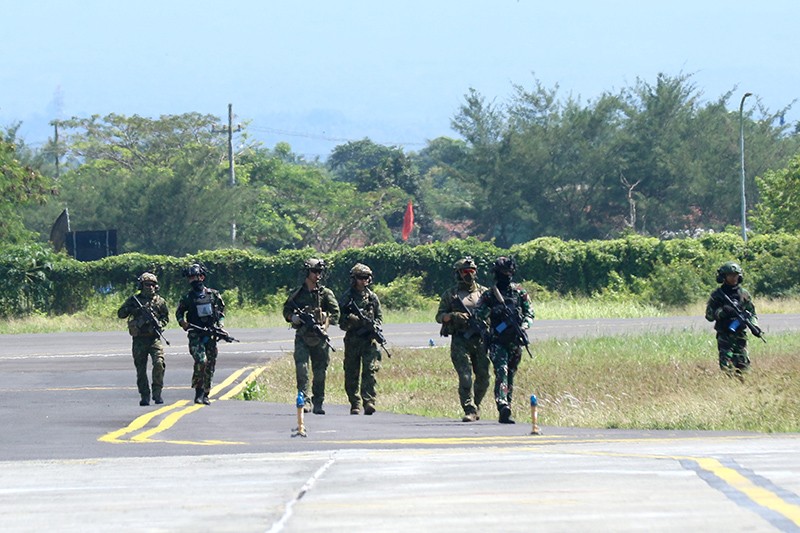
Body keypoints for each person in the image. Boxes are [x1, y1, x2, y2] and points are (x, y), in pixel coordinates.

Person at [475, 256, 534, 424]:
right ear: (497, 273)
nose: (507, 275)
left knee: (511, 373)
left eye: (509, 272)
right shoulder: (490, 294)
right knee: (502, 371)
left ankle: (507, 406)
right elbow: (478, 315)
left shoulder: (519, 292)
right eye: (503, 272)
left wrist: (524, 326)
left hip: (515, 339)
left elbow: (529, 313)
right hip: (497, 340)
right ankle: (502, 405)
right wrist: (493, 314)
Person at [435, 257, 490, 422]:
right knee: (465, 377)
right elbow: (439, 316)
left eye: (471, 271)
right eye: (465, 272)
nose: (469, 275)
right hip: (461, 341)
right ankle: (469, 408)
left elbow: (494, 312)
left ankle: (477, 405)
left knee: (484, 377)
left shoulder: (484, 293)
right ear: (458, 274)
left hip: (480, 340)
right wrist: (452, 316)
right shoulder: (451, 295)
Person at [283, 258, 340, 415]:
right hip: (302, 337)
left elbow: (336, 313)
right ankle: (304, 400)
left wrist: (325, 324)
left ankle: (318, 402)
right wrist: (293, 318)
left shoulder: (325, 294)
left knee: (320, 372)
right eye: (315, 271)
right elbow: (286, 310)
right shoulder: (297, 293)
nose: (318, 275)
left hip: (320, 339)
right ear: (307, 272)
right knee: (302, 370)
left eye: (320, 272)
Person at [175, 263, 226, 405]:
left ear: (202, 277)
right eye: (190, 278)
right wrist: (182, 322)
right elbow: (179, 312)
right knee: (201, 361)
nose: (192, 280)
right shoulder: (187, 297)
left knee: (210, 364)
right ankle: (198, 391)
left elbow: (221, 312)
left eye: (195, 277)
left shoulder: (213, 295)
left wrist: (220, 325)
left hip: (210, 334)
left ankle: (206, 393)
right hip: (195, 334)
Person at [117, 272, 170, 406]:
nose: (150, 287)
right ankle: (145, 395)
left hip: (154, 339)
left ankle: (157, 393)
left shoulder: (160, 301)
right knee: (141, 369)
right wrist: (133, 310)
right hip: (139, 339)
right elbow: (121, 314)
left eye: (153, 285)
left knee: (159, 363)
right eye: (147, 285)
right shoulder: (134, 300)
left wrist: (159, 324)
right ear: (141, 285)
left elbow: (165, 318)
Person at [338, 263, 384, 415]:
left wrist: (374, 326)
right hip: (353, 340)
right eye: (361, 278)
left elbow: (379, 317)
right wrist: (353, 321)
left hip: (368, 341)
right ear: (354, 279)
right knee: (351, 372)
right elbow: (341, 322)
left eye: (367, 278)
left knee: (370, 371)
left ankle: (369, 401)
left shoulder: (372, 297)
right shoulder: (347, 297)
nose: (364, 281)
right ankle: (354, 402)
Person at [705, 261, 760, 376]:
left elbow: (751, 312)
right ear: (724, 277)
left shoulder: (743, 294)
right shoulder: (717, 295)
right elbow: (709, 316)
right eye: (730, 275)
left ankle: (743, 385)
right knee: (726, 365)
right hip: (725, 334)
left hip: (740, 334)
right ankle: (729, 386)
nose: (733, 278)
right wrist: (722, 311)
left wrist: (754, 326)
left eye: (735, 275)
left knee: (743, 364)